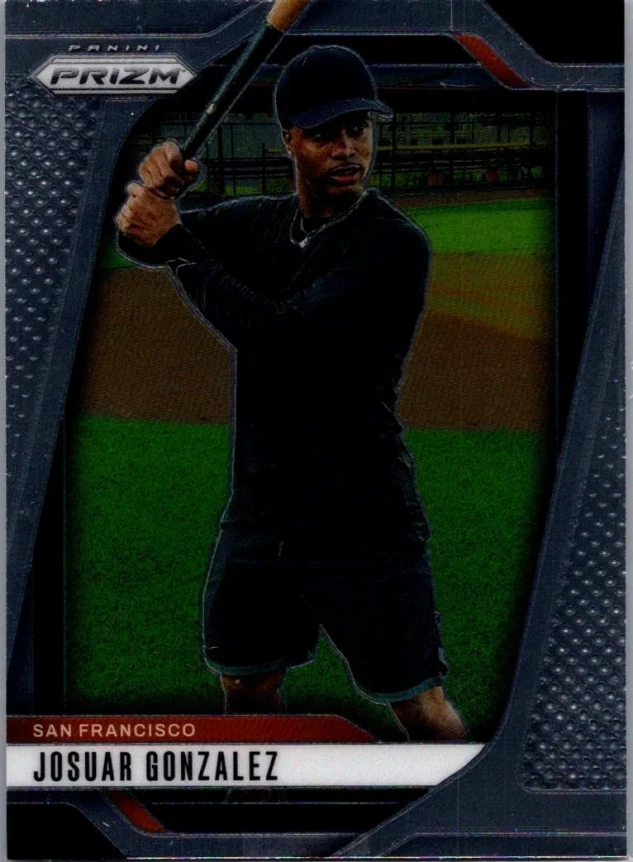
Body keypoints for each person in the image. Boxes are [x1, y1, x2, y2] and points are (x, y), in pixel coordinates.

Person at [116, 45, 467, 741]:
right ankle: (253, 800)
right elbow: (142, 239)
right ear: (290, 140)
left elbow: (278, 339)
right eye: (326, 133)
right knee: (245, 681)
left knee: (417, 704)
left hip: (359, 513)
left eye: (358, 130)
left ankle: (471, 804)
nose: (348, 148)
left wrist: (177, 241)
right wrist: (157, 192)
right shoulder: (263, 224)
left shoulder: (392, 246)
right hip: (263, 510)